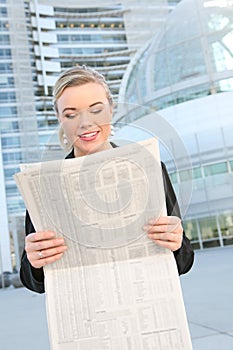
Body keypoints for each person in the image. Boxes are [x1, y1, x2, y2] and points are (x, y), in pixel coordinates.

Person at [20, 65, 194, 294]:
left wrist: (176, 242)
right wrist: (34, 262)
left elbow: (184, 261)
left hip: (149, 305)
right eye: (71, 114)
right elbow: (32, 281)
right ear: (60, 119)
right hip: (83, 317)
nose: (85, 123)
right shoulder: (43, 186)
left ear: (111, 109)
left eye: (96, 110)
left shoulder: (149, 169)